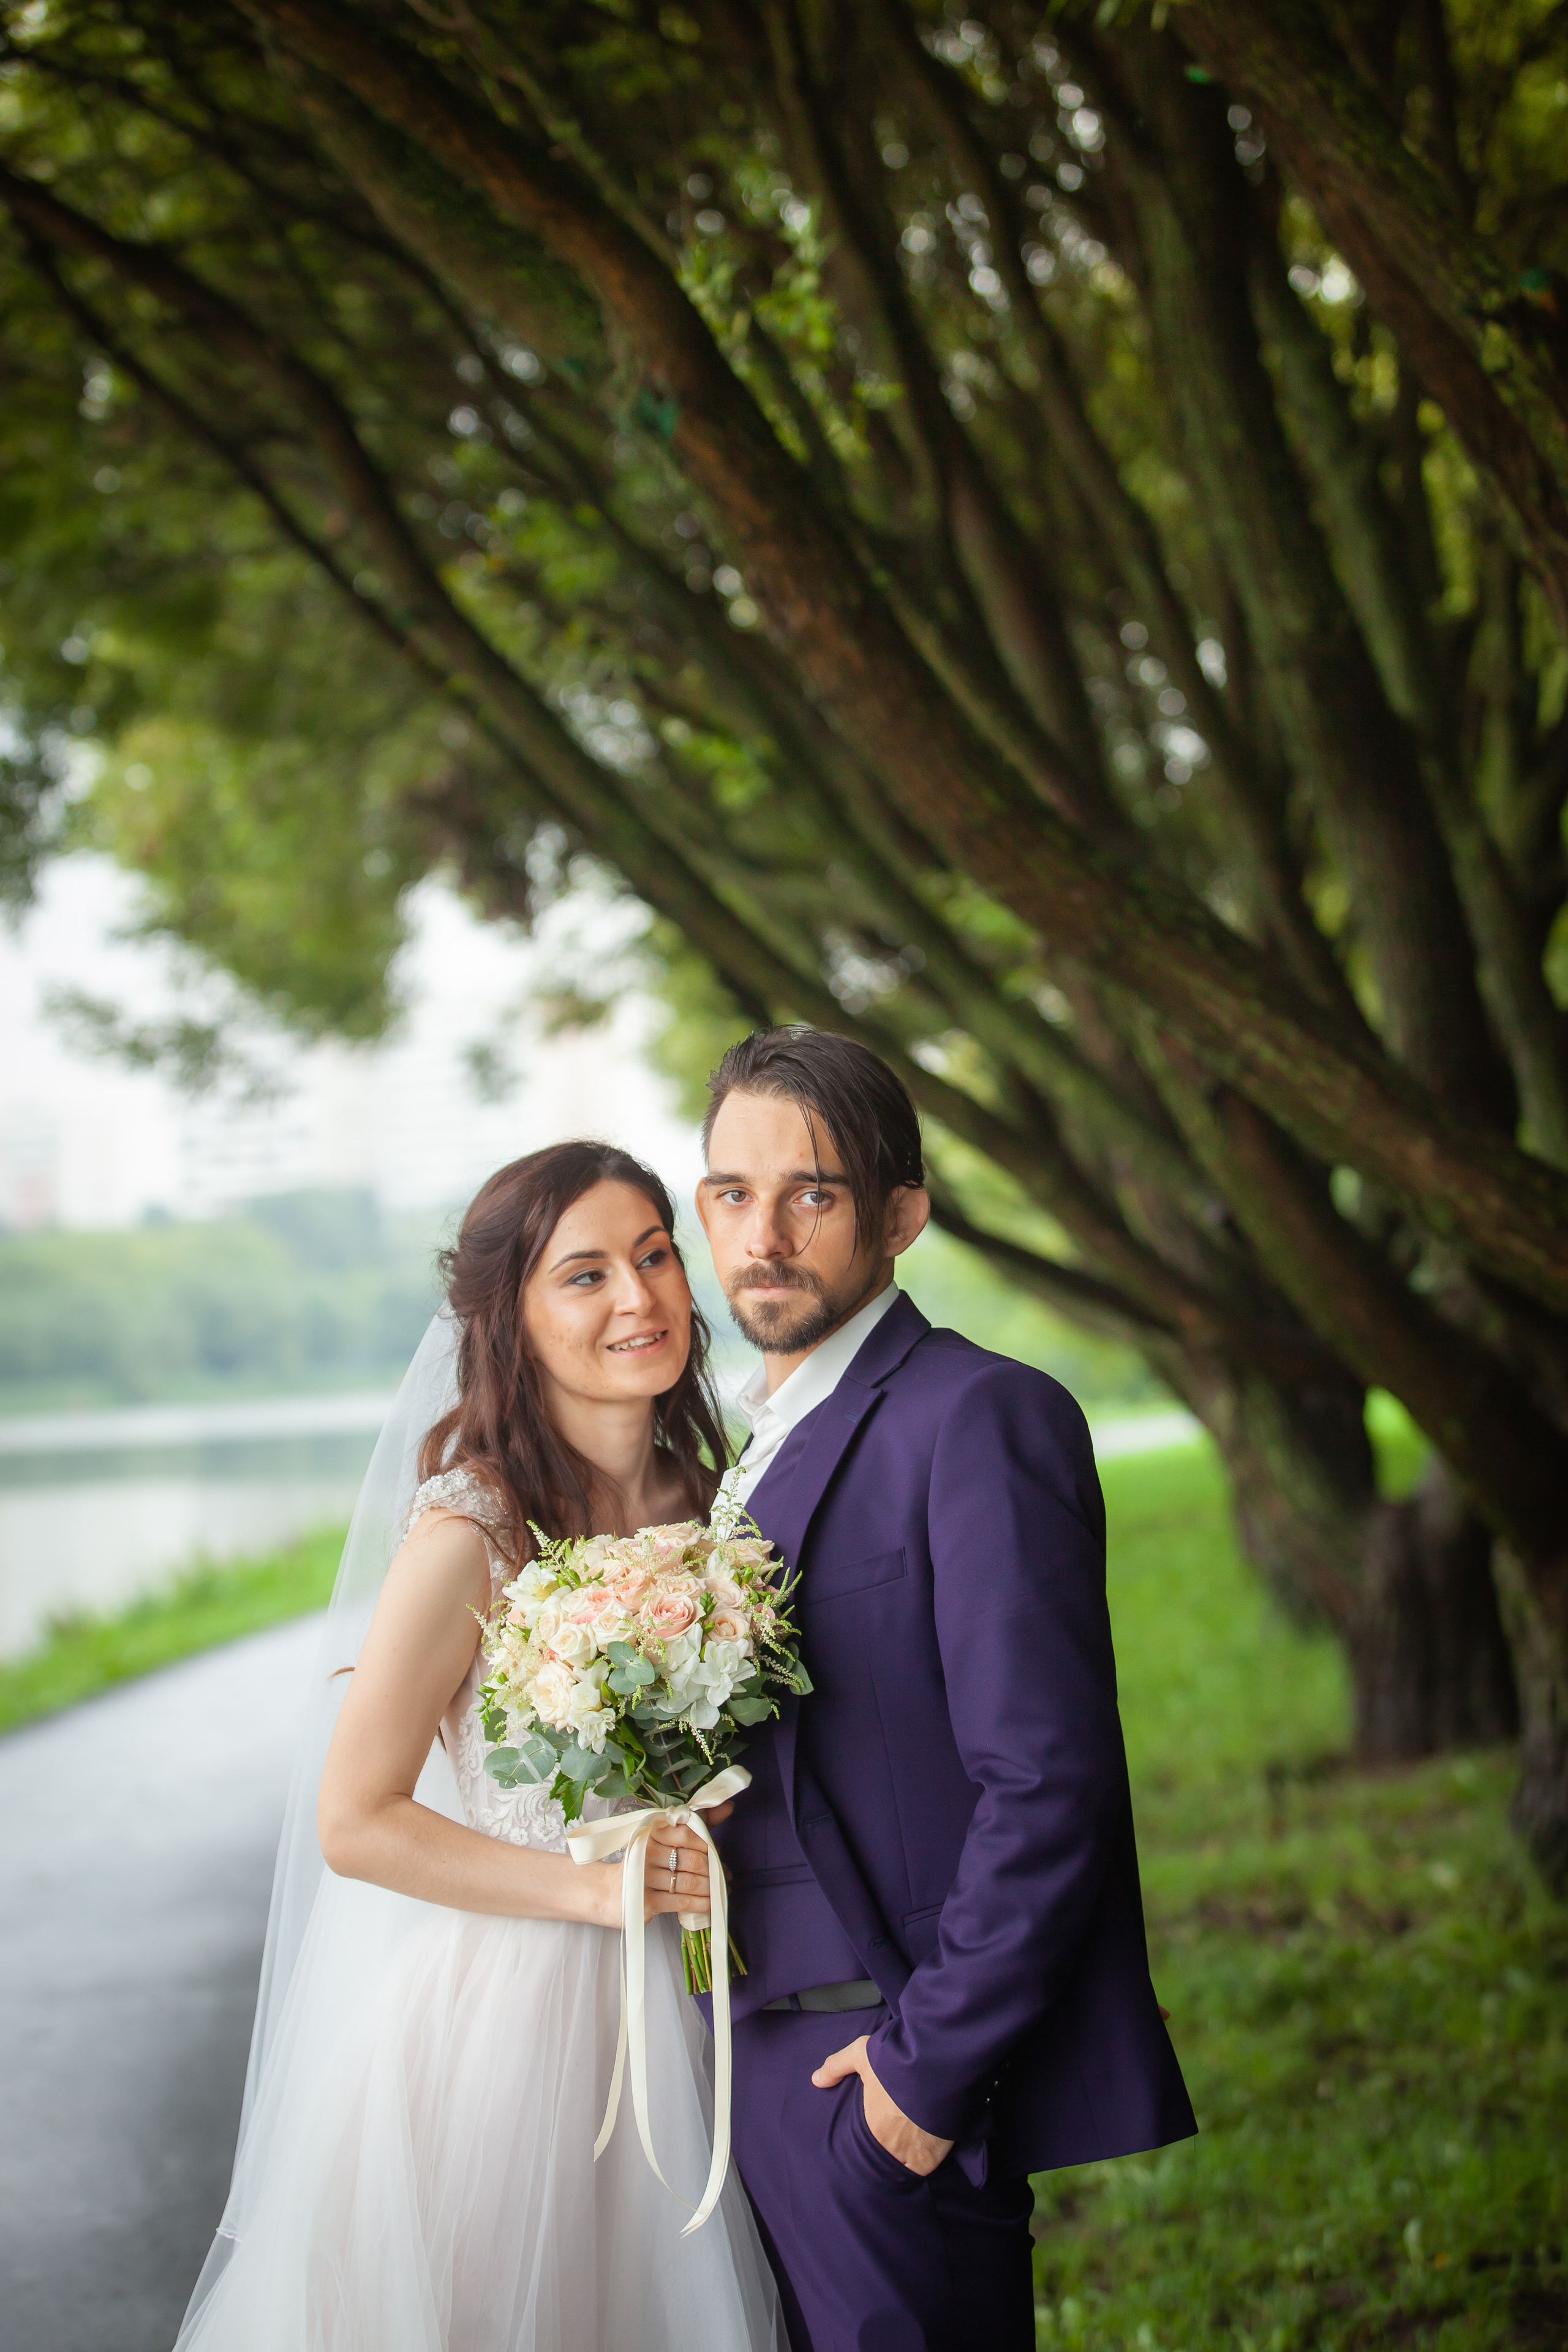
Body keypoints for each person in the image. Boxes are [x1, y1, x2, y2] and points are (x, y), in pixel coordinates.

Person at [173, 1142, 783, 2352]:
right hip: (507, 2029)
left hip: (705, 2007)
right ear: (511, 1319)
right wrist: (584, 1889)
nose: (640, 1297)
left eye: (655, 1254)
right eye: (587, 1274)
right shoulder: (471, 1527)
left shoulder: (723, 1504)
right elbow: (355, 1820)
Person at [693, 1028, 1196, 2352]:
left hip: (875, 2083)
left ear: (900, 1212)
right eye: (732, 1196)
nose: (765, 1236)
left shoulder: (974, 1415)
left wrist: (919, 2084)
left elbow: (1046, 1784)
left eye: (813, 1193)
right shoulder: (737, 1455)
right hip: (729, 2069)